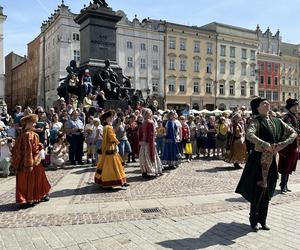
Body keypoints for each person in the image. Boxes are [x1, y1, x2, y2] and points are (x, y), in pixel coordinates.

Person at [236, 97, 297, 232]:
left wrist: (282, 145)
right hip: (257, 160)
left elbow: (293, 132)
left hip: (271, 161)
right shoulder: (256, 121)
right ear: (257, 107)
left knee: (268, 190)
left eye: (267, 102)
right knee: (257, 190)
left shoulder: (277, 121)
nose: (267, 104)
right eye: (264, 103)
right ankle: (253, 220)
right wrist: (265, 144)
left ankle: (263, 220)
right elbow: (249, 135)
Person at [11, 114, 51, 208]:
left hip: (23, 163)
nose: (35, 125)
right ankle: (31, 198)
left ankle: (26, 199)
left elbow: (15, 149)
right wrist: (40, 146)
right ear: (28, 124)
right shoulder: (30, 135)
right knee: (35, 180)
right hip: (31, 163)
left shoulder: (21, 135)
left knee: (24, 182)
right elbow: (31, 150)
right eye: (33, 123)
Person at [94, 110, 129, 188]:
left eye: (112, 117)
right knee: (111, 166)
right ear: (106, 119)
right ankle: (111, 182)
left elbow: (108, 136)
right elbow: (112, 137)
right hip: (110, 148)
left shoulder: (106, 127)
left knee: (114, 165)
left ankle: (120, 181)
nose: (111, 119)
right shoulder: (108, 127)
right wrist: (117, 141)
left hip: (110, 148)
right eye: (110, 118)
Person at [278, 98, 300, 193]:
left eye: (297, 106)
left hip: (294, 143)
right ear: (290, 107)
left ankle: (285, 184)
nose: (296, 108)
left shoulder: (295, 116)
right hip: (288, 145)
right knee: (286, 165)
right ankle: (283, 185)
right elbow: (289, 127)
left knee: (290, 164)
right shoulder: (287, 117)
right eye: (294, 106)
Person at [139, 109, 163, 178]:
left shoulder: (143, 123)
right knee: (150, 157)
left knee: (143, 158)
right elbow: (151, 135)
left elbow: (140, 134)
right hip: (149, 143)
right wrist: (151, 145)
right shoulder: (150, 122)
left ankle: (144, 172)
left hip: (143, 144)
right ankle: (152, 171)